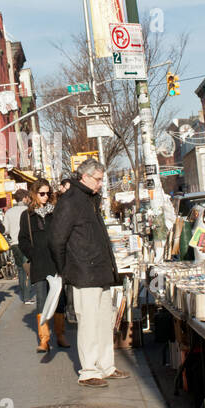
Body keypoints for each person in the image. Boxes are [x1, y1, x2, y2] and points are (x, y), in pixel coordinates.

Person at [50, 159, 126, 387]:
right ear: (85, 177)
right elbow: (56, 240)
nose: (101, 184)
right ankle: (89, 370)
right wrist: (65, 269)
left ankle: (106, 365)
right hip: (84, 272)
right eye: (98, 179)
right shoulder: (71, 201)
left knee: (104, 321)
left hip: (100, 270)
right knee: (89, 322)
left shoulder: (90, 199)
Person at [18, 180, 67, 353]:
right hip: (39, 263)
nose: (46, 197)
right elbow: (22, 239)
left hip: (56, 262)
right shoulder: (27, 216)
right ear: (34, 194)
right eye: (42, 193)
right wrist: (32, 254)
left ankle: (60, 335)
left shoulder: (56, 212)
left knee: (60, 299)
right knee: (41, 299)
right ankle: (44, 338)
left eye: (48, 193)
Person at [4, 189, 31, 302]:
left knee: (20, 269)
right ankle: (27, 296)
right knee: (28, 270)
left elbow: (6, 230)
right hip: (26, 243)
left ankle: (22, 292)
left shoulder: (9, 212)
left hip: (14, 243)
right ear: (24, 198)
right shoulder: (28, 210)